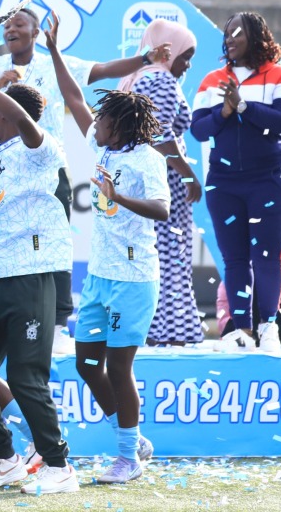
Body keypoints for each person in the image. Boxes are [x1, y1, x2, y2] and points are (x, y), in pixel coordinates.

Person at [0, 7, 171, 354]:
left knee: (55, 239)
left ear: (36, 32)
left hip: (48, 167)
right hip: (2, 167)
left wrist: (143, 59)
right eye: (7, 24)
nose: (11, 28)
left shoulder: (55, 65)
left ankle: (59, 322)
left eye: (20, 23)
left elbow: (97, 75)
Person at [48, 13, 169, 484]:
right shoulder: (103, 149)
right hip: (99, 277)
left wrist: (118, 198)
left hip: (133, 281)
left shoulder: (147, 159)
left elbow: (161, 209)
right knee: (86, 364)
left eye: (101, 120)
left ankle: (127, 458)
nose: (93, 123)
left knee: (119, 367)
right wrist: (54, 50)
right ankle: (132, 437)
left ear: (117, 127)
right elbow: (74, 97)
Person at [0, 67, 79, 494]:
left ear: (7, 114)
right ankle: (5, 458)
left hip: (30, 277)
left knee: (25, 377)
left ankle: (59, 466)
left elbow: (24, 119)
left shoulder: (42, 148)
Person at [191, 11, 281, 353]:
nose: (229, 39)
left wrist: (244, 107)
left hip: (266, 180)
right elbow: (198, 129)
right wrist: (224, 112)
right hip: (223, 183)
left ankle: (268, 328)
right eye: (227, 33)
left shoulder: (277, 75)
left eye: (237, 33)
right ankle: (240, 330)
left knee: (266, 256)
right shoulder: (212, 79)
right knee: (235, 259)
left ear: (256, 36)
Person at [117, 20, 204, 347]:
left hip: (137, 180)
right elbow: (158, 133)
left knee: (145, 257)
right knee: (170, 255)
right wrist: (187, 174)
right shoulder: (162, 80)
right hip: (162, 182)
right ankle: (170, 332)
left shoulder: (134, 77)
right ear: (169, 52)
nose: (188, 65)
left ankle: (144, 328)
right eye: (185, 56)